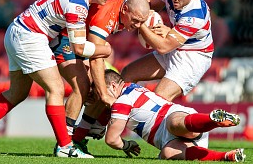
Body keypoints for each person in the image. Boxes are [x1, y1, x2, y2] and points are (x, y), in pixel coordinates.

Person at [0, 0, 118, 159]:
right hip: (30, 37)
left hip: (16, 31)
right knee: (56, 89)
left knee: (17, 93)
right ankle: (64, 147)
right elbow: (79, 48)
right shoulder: (78, 5)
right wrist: (106, 50)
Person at [50, 0, 150, 142]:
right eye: (135, 20)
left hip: (78, 41)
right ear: (125, 9)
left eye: (141, 22)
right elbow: (95, 58)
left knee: (16, 94)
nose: (137, 26)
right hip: (64, 39)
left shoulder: (126, 7)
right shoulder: (106, 17)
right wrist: (103, 95)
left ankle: (80, 137)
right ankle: (65, 143)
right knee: (85, 86)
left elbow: (138, 2)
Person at [103, 69, 246, 162]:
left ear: (114, 86)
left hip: (171, 117)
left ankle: (213, 120)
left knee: (173, 124)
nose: (101, 96)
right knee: (168, 153)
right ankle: (227, 156)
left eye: (102, 90)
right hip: (172, 135)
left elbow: (111, 139)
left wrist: (127, 145)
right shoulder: (134, 87)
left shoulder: (122, 100)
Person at [121, 0, 213, 102]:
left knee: (157, 100)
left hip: (193, 57)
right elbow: (151, 6)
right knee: (127, 74)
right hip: (174, 46)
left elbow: (163, 47)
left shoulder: (195, 16)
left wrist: (140, 23)